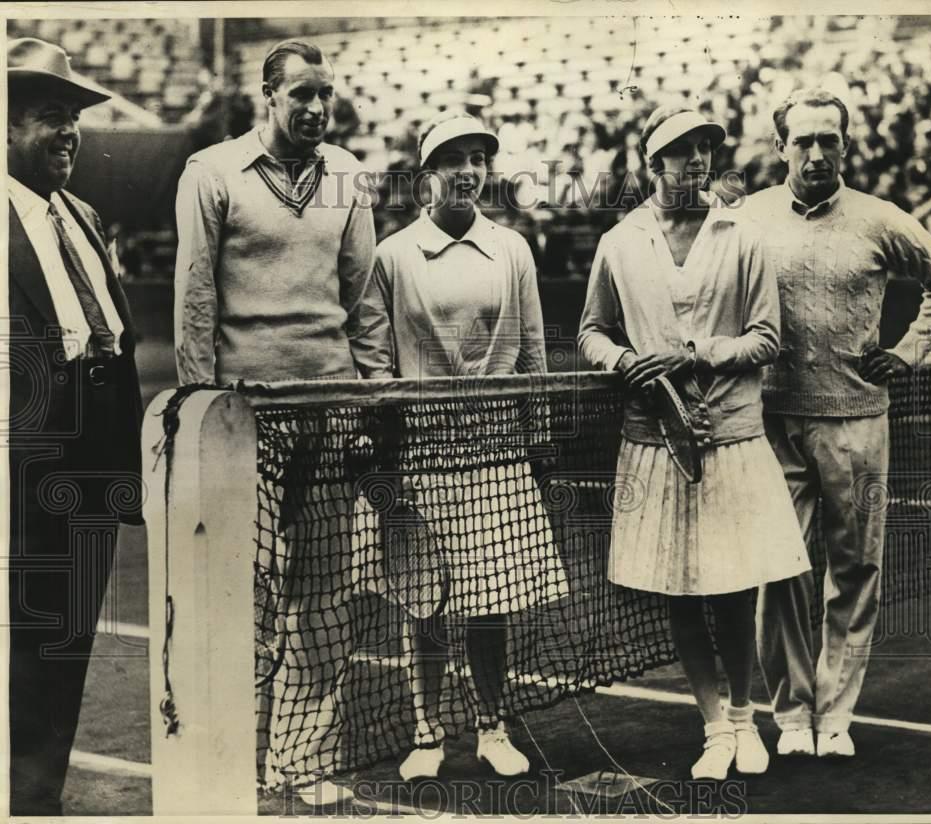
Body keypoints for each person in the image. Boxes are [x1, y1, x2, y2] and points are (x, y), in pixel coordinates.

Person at [173, 39, 381, 804]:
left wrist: (372, 403)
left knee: (323, 601)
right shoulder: (211, 173)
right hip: (244, 419)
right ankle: (231, 751)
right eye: (301, 94)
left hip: (327, 411)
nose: (317, 108)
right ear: (269, 95)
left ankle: (300, 759)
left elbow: (364, 304)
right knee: (245, 594)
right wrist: (199, 411)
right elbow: (196, 299)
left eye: (325, 94)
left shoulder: (351, 178)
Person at [578, 106, 810, 780]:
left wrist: (693, 354)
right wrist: (624, 363)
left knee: (734, 589)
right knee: (681, 591)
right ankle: (713, 725)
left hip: (731, 436)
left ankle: (743, 717)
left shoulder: (743, 236)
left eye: (705, 148)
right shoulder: (619, 242)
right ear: (653, 165)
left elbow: (767, 337)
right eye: (681, 151)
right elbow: (594, 329)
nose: (698, 161)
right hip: (655, 440)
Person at [746, 88, 931, 759]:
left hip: (859, 423)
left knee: (856, 568)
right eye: (804, 140)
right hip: (771, 422)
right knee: (778, 569)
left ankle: (834, 717)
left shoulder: (880, 219)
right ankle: (790, 715)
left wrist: (905, 352)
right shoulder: (744, 220)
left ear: (847, 144)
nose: (817, 153)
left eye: (829, 140)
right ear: (781, 146)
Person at [357, 111, 569, 780]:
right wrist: (385, 437)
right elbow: (377, 356)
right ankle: (426, 730)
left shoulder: (512, 249)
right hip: (421, 453)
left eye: (479, 158)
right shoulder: (392, 255)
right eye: (455, 159)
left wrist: (538, 435)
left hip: (496, 450)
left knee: (492, 597)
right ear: (428, 174)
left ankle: (491, 725)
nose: (469, 171)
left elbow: (533, 350)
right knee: (426, 600)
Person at [7, 37, 144, 815]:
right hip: (21, 475)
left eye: (74, 118)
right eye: (49, 117)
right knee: (18, 657)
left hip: (88, 477)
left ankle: (37, 802)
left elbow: (115, 345)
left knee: (65, 653)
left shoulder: (84, 215)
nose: (69, 132)